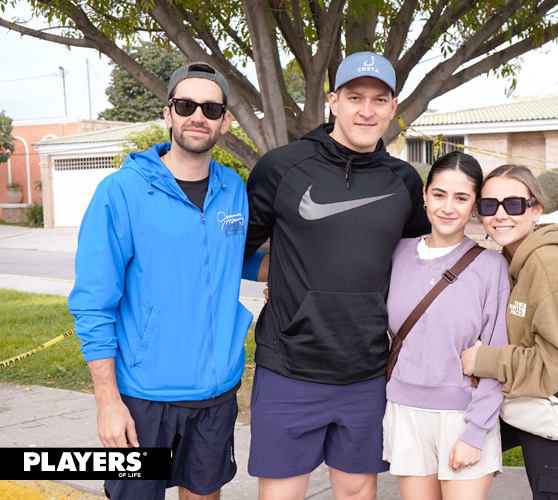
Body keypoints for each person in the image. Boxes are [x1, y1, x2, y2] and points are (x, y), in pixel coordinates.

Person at [69, 62, 267, 500]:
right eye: (186, 104)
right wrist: (108, 402)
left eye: (211, 108)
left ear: (225, 121)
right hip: (143, 398)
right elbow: (93, 303)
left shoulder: (233, 187)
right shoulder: (121, 191)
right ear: (168, 113)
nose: (198, 115)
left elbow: (237, 259)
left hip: (216, 394)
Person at [243, 51, 430, 500]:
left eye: (379, 100)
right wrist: (286, 277)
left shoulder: (404, 180)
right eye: (355, 97)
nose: (367, 110)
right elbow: (235, 252)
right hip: (290, 366)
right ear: (333, 101)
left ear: (393, 107)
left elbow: (418, 260)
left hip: (366, 371)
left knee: (355, 493)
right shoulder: (281, 167)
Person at [460, 164, 558, 500]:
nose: (500, 215)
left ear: (536, 209)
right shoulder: (515, 259)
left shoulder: (547, 265)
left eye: (513, 204)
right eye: (488, 205)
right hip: (530, 409)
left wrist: (485, 360)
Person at [383, 151, 510, 500]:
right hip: (405, 411)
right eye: (439, 195)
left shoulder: (491, 267)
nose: (448, 207)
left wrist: (476, 431)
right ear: (424, 196)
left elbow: (497, 355)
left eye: (461, 198)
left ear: (474, 206)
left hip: (464, 415)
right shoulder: (396, 253)